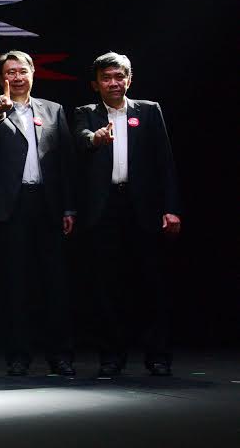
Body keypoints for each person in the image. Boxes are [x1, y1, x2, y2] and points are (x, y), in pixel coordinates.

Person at [73, 52, 182, 377]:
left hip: (143, 208)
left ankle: (158, 356)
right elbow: (80, 141)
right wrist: (95, 139)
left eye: (119, 76)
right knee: (107, 287)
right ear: (96, 84)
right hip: (104, 210)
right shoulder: (85, 113)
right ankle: (111, 356)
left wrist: (171, 208)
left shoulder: (148, 111)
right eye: (106, 78)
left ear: (129, 80)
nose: (113, 83)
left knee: (152, 284)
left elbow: (165, 162)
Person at [0, 50, 77, 376]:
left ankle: (60, 356)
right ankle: (18, 357)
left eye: (22, 71)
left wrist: (69, 206)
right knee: (15, 286)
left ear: (33, 73)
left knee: (56, 285)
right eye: (10, 72)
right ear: (0, 78)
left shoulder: (53, 110)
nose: (17, 77)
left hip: (48, 205)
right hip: (11, 208)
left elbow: (66, 162)